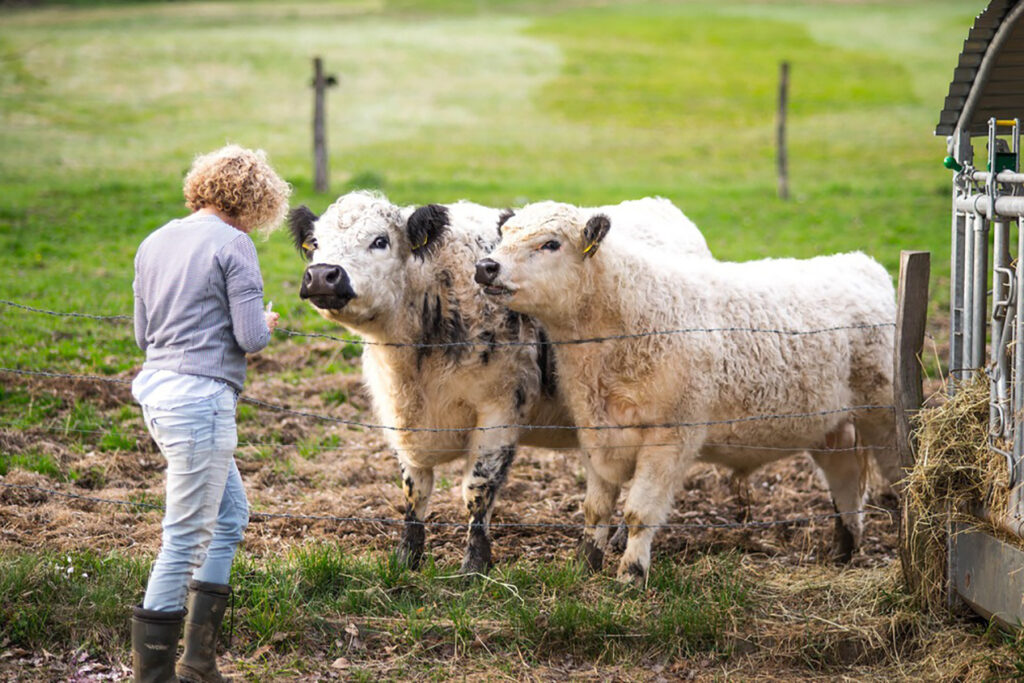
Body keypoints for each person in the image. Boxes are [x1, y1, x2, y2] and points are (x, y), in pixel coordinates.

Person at [129, 145, 290, 683]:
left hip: (157, 394)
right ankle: (153, 676)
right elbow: (248, 337)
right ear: (257, 199)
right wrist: (266, 323)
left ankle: (199, 661)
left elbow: (141, 335)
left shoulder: (154, 241)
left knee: (229, 517)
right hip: (201, 403)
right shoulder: (235, 244)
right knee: (185, 535)